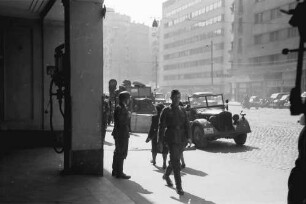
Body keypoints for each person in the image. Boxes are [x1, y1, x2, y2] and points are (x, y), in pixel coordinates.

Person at [159, 89, 192, 195]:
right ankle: (179, 187)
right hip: (171, 138)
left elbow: (187, 124)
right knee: (176, 163)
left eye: (179, 97)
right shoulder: (166, 110)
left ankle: (166, 175)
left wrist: (190, 137)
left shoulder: (182, 109)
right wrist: (160, 141)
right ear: (171, 98)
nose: (177, 99)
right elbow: (161, 127)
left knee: (175, 160)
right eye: (175, 97)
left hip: (182, 139)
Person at [111, 91, 131, 179]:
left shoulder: (120, 107)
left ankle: (115, 170)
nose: (129, 100)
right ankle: (119, 172)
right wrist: (128, 116)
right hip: (121, 133)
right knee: (121, 152)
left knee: (118, 151)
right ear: (125, 99)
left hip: (120, 132)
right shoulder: (121, 108)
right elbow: (121, 122)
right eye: (129, 98)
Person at [146, 103, 168, 169]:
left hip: (155, 135)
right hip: (164, 135)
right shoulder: (167, 118)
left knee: (154, 148)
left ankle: (154, 160)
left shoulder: (154, 117)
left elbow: (152, 128)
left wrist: (149, 137)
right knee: (165, 149)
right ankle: (164, 163)